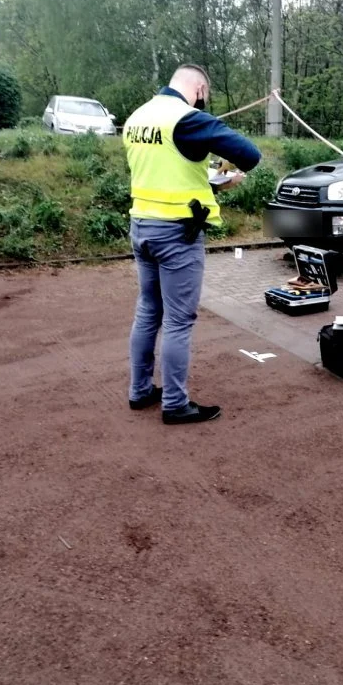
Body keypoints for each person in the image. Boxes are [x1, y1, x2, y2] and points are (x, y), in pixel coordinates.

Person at [123, 63, 261, 424]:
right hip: (176, 234)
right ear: (199, 89)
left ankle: (139, 391)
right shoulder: (187, 118)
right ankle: (175, 403)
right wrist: (225, 171)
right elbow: (250, 155)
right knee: (179, 320)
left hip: (141, 226)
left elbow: (166, 170)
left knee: (148, 310)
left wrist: (212, 182)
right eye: (205, 96)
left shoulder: (139, 116)